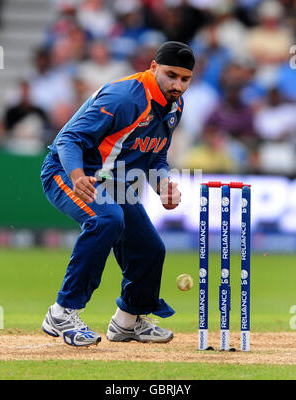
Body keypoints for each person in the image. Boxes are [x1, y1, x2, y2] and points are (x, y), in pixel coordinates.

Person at [41, 41, 195, 346]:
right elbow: (68, 138)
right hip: (66, 171)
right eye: (171, 75)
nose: (178, 85)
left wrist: (162, 184)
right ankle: (62, 311)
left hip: (114, 183)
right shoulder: (125, 96)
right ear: (153, 68)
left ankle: (127, 321)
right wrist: (76, 175)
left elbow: (156, 157)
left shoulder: (174, 105)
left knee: (150, 248)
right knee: (106, 220)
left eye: (185, 79)